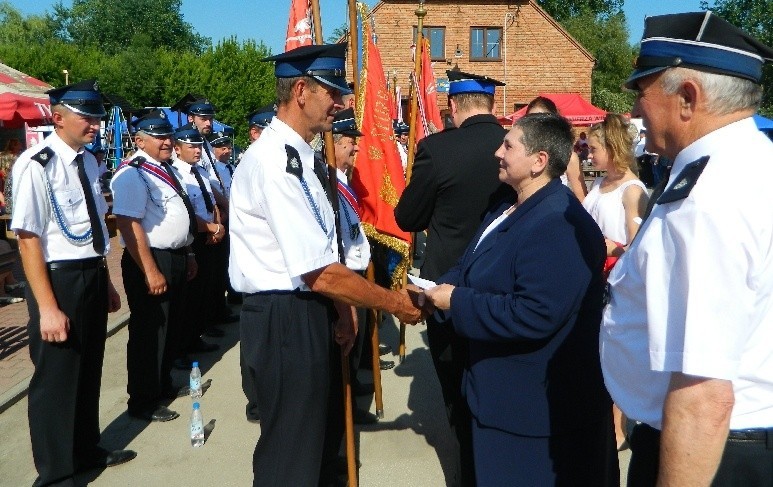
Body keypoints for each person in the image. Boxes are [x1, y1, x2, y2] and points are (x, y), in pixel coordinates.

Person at [229, 43, 423, 487]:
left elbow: (325, 252)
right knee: (291, 459)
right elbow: (319, 271)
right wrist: (393, 303)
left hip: (308, 311)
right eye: (332, 92)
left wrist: (343, 312)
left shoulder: (303, 158)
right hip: (284, 319)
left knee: (316, 446)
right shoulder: (277, 163)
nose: (342, 103)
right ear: (301, 90)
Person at [601, 12, 773, 486]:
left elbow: (704, 393)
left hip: (707, 451)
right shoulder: (750, 161)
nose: (635, 111)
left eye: (642, 91)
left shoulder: (712, 193)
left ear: (688, 97)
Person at [423, 113, 618, 486]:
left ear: (539, 161)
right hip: (501, 403)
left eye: (508, 145)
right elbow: (470, 264)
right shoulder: (508, 205)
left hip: (534, 418)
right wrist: (433, 290)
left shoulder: (558, 222)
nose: (498, 151)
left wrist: (457, 302)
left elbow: (535, 313)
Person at [10, 80, 135, 486]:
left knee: (89, 369)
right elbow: (28, 238)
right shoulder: (36, 164)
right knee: (57, 379)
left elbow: (94, 227)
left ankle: (84, 449)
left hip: (90, 274)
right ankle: (55, 471)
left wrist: (106, 282)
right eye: (87, 116)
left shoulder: (88, 162)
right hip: (58, 280)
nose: (96, 124)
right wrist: (47, 307)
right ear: (58, 117)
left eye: (98, 116)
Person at [394, 69, 511, 487]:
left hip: (448, 288)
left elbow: (409, 217)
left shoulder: (437, 149)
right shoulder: (514, 144)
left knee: (457, 394)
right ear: (492, 105)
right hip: (504, 288)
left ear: (453, 106)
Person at [111, 109, 197, 423]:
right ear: (139, 140)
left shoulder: (163, 168)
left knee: (170, 328)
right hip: (149, 258)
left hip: (173, 256)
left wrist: (187, 254)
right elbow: (127, 223)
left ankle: (162, 386)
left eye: (167, 136)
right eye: (159, 137)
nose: (167, 141)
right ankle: (143, 401)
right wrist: (150, 270)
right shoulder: (134, 173)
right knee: (150, 332)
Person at [581, 113, 649, 450]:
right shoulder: (598, 183)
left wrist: (612, 247)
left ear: (613, 147)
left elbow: (639, 247)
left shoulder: (632, 190)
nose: (589, 155)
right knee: (598, 354)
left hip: (618, 286)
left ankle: (620, 429)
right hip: (596, 280)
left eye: (594, 149)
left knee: (618, 356)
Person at [330, 108, 380, 425]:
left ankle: (350, 390)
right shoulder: (327, 182)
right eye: (350, 142)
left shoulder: (342, 178)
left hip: (356, 273)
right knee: (344, 348)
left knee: (358, 337)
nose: (356, 148)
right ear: (331, 143)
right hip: (344, 277)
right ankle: (343, 408)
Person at [172, 123, 224, 360]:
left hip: (211, 235)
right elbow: (188, 213)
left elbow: (210, 201)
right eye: (191, 146)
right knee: (189, 297)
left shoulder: (201, 172)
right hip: (193, 239)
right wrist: (211, 227)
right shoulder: (177, 173)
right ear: (177, 148)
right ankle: (184, 344)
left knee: (205, 288)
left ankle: (197, 336)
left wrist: (218, 225)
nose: (197, 150)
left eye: (198, 145)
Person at [525, 96, 588, 200]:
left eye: (542, 120)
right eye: (530, 120)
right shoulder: (521, 152)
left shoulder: (568, 157)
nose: (536, 125)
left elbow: (582, 199)